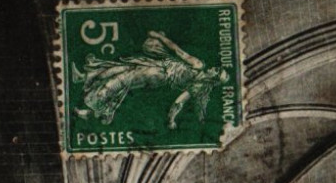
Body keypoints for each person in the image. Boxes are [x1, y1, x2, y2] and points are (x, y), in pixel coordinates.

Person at [72, 30, 228, 128]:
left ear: (214, 76)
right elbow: (178, 102)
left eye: (218, 70)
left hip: (158, 74)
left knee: (120, 81)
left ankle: (91, 112)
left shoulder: (198, 73)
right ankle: (83, 77)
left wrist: (158, 36)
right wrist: (171, 120)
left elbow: (177, 51)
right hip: (159, 68)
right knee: (121, 68)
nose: (215, 68)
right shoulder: (198, 76)